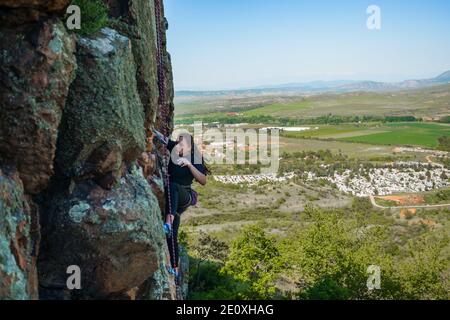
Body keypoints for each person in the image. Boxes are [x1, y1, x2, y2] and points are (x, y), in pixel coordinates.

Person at [153, 129, 210, 277]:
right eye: (178, 142)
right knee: (172, 236)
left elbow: (203, 181)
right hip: (174, 199)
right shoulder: (174, 149)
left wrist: (189, 165)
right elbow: (161, 137)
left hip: (185, 195)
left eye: (182, 143)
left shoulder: (195, 158)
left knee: (173, 186)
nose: (179, 146)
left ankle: (167, 223)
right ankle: (175, 268)